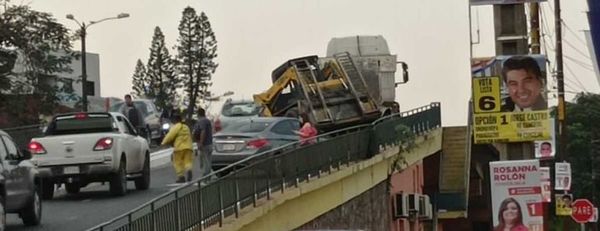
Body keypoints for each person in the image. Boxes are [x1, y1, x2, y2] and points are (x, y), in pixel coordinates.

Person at [161, 112, 194, 183]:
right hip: (188, 147)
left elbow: (170, 135)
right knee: (188, 161)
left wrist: (163, 142)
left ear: (176, 120)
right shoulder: (186, 127)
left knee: (177, 162)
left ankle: (181, 177)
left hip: (179, 147)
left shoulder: (176, 126)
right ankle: (189, 170)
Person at [193, 108, 213, 183]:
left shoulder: (202, 121)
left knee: (206, 162)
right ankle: (207, 177)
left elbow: (203, 131)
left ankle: (206, 177)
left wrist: (201, 143)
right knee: (207, 161)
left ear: (198, 114)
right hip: (209, 143)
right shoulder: (207, 121)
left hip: (205, 144)